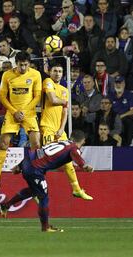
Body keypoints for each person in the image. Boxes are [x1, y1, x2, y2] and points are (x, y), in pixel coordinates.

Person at [0, 130, 94, 232]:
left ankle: (6, 205)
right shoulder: (74, 147)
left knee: (34, 190)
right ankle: (46, 227)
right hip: (35, 169)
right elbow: (75, 154)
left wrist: (20, 165)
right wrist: (84, 165)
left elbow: (40, 151)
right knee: (43, 197)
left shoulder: (59, 142)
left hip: (28, 161)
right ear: (83, 141)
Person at [40, 63, 93, 200]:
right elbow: (52, 99)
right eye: (55, 71)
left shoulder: (65, 90)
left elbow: (65, 111)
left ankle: (76, 189)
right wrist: (64, 101)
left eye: (60, 71)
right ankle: (37, 190)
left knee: (68, 160)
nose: (57, 73)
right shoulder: (48, 82)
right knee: (45, 160)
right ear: (50, 72)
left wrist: (62, 128)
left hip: (59, 129)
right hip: (47, 127)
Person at [0, 51, 42, 195]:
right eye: (21, 65)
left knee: (36, 144)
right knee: (3, 143)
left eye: (26, 65)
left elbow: (37, 95)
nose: (23, 68)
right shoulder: (7, 75)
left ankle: (34, 173)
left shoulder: (35, 74)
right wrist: (14, 111)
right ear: (16, 63)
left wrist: (24, 111)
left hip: (29, 112)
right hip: (12, 112)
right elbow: (2, 96)